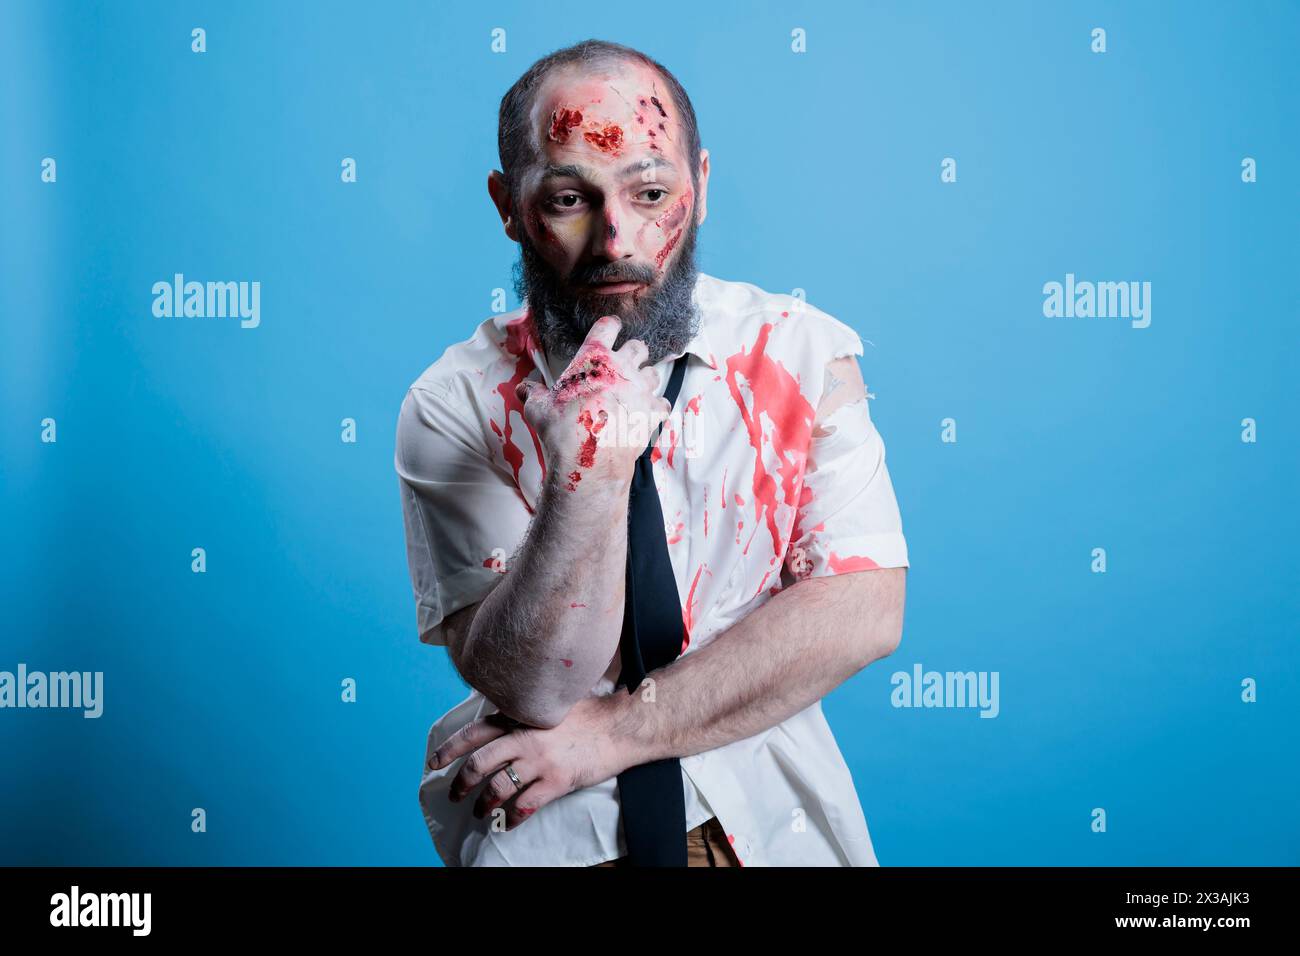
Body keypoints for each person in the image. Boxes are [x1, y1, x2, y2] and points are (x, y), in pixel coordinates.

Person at [394, 39, 909, 866]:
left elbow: (864, 611)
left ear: (698, 187)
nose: (614, 240)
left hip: (771, 834)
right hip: (555, 842)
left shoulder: (800, 354)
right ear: (507, 205)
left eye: (651, 191)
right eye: (568, 198)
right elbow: (531, 686)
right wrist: (584, 479)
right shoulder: (454, 405)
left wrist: (615, 734)